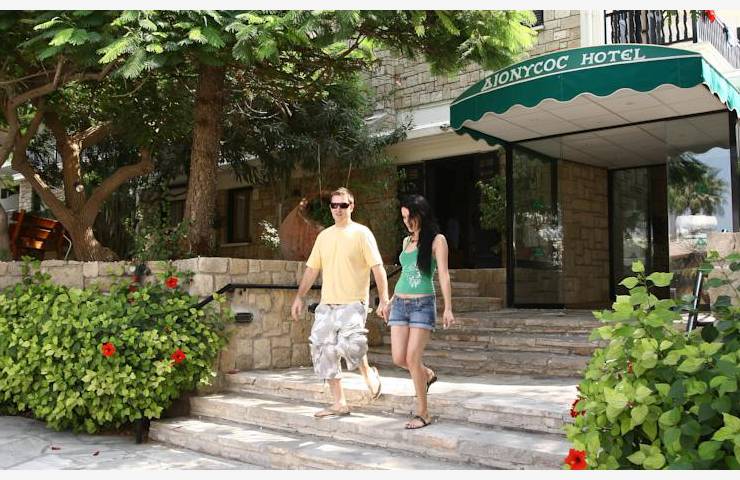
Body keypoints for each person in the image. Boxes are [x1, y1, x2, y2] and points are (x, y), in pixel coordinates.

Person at [291, 187, 389, 417]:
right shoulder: (324, 237)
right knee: (322, 349)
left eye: (343, 205)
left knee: (352, 345)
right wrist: (299, 296)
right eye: (334, 205)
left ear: (351, 206)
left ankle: (367, 372)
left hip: (354, 302)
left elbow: (377, 267)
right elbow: (311, 269)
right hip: (328, 303)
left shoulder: (362, 233)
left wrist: (384, 298)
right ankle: (339, 403)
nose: (338, 209)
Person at [382, 194, 454, 429]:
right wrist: (390, 301)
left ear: (421, 214)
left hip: (422, 305)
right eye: (403, 218)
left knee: (412, 358)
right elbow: (405, 274)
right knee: (399, 358)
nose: (407, 222)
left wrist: (448, 307)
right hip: (400, 305)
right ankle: (427, 374)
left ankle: (423, 413)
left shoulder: (437, 240)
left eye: (409, 217)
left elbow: (443, 275)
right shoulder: (406, 241)